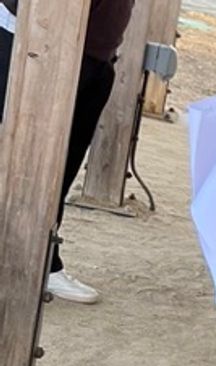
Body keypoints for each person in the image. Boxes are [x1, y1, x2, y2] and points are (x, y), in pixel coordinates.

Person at [0, 0, 135, 304]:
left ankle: (45, 261)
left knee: (60, 170)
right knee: (27, 161)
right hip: (42, 46)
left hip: (96, 57)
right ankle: (22, 263)